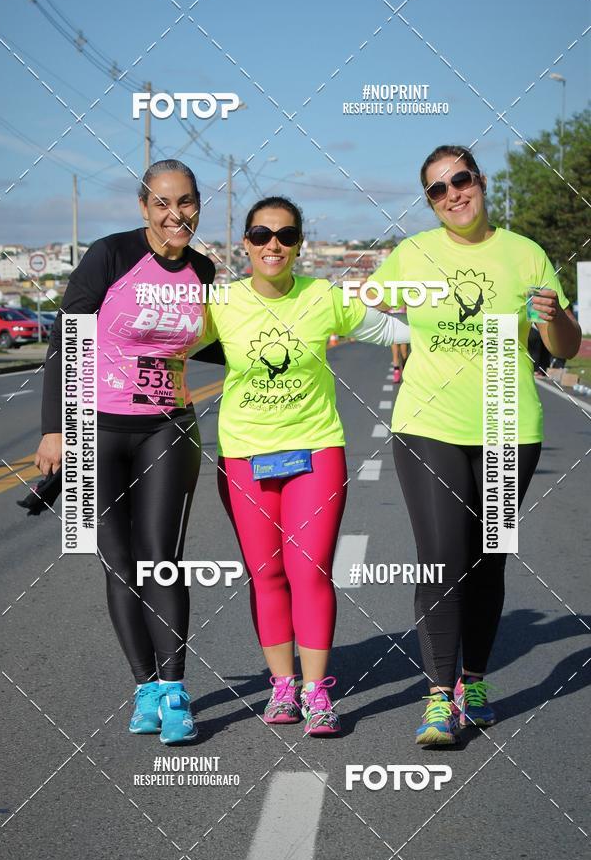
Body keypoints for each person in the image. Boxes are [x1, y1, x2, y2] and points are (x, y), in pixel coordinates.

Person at [367, 145, 581, 745]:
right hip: (428, 424)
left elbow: (562, 344)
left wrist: (553, 314)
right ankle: (440, 698)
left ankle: (475, 681)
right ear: (430, 202)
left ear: (480, 182)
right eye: (437, 189)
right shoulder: (413, 253)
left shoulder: (525, 254)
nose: (453, 194)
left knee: (489, 561)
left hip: (509, 425)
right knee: (442, 557)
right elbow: (360, 307)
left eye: (460, 180)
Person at [202, 196, 409, 736]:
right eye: (262, 234)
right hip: (244, 455)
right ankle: (283, 687)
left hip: (315, 450)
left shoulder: (323, 297)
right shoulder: (220, 304)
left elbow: (395, 332)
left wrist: (487, 333)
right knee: (266, 573)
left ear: (300, 245)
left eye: (286, 235)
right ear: (245, 243)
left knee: (309, 569)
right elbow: (159, 342)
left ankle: (318, 692)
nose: (274, 244)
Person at [35, 159, 225, 745]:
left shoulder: (203, 269)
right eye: (164, 203)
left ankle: (174, 691)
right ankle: (144, 686)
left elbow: (218, 346)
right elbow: (68, 338)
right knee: (118, 565)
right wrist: (54, 429)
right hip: (95, 430)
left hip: (166, 427)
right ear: (144, 208)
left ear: (198, 204)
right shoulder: (111, 255)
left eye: (187, 202)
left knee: (160, 558)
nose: (176, 215)